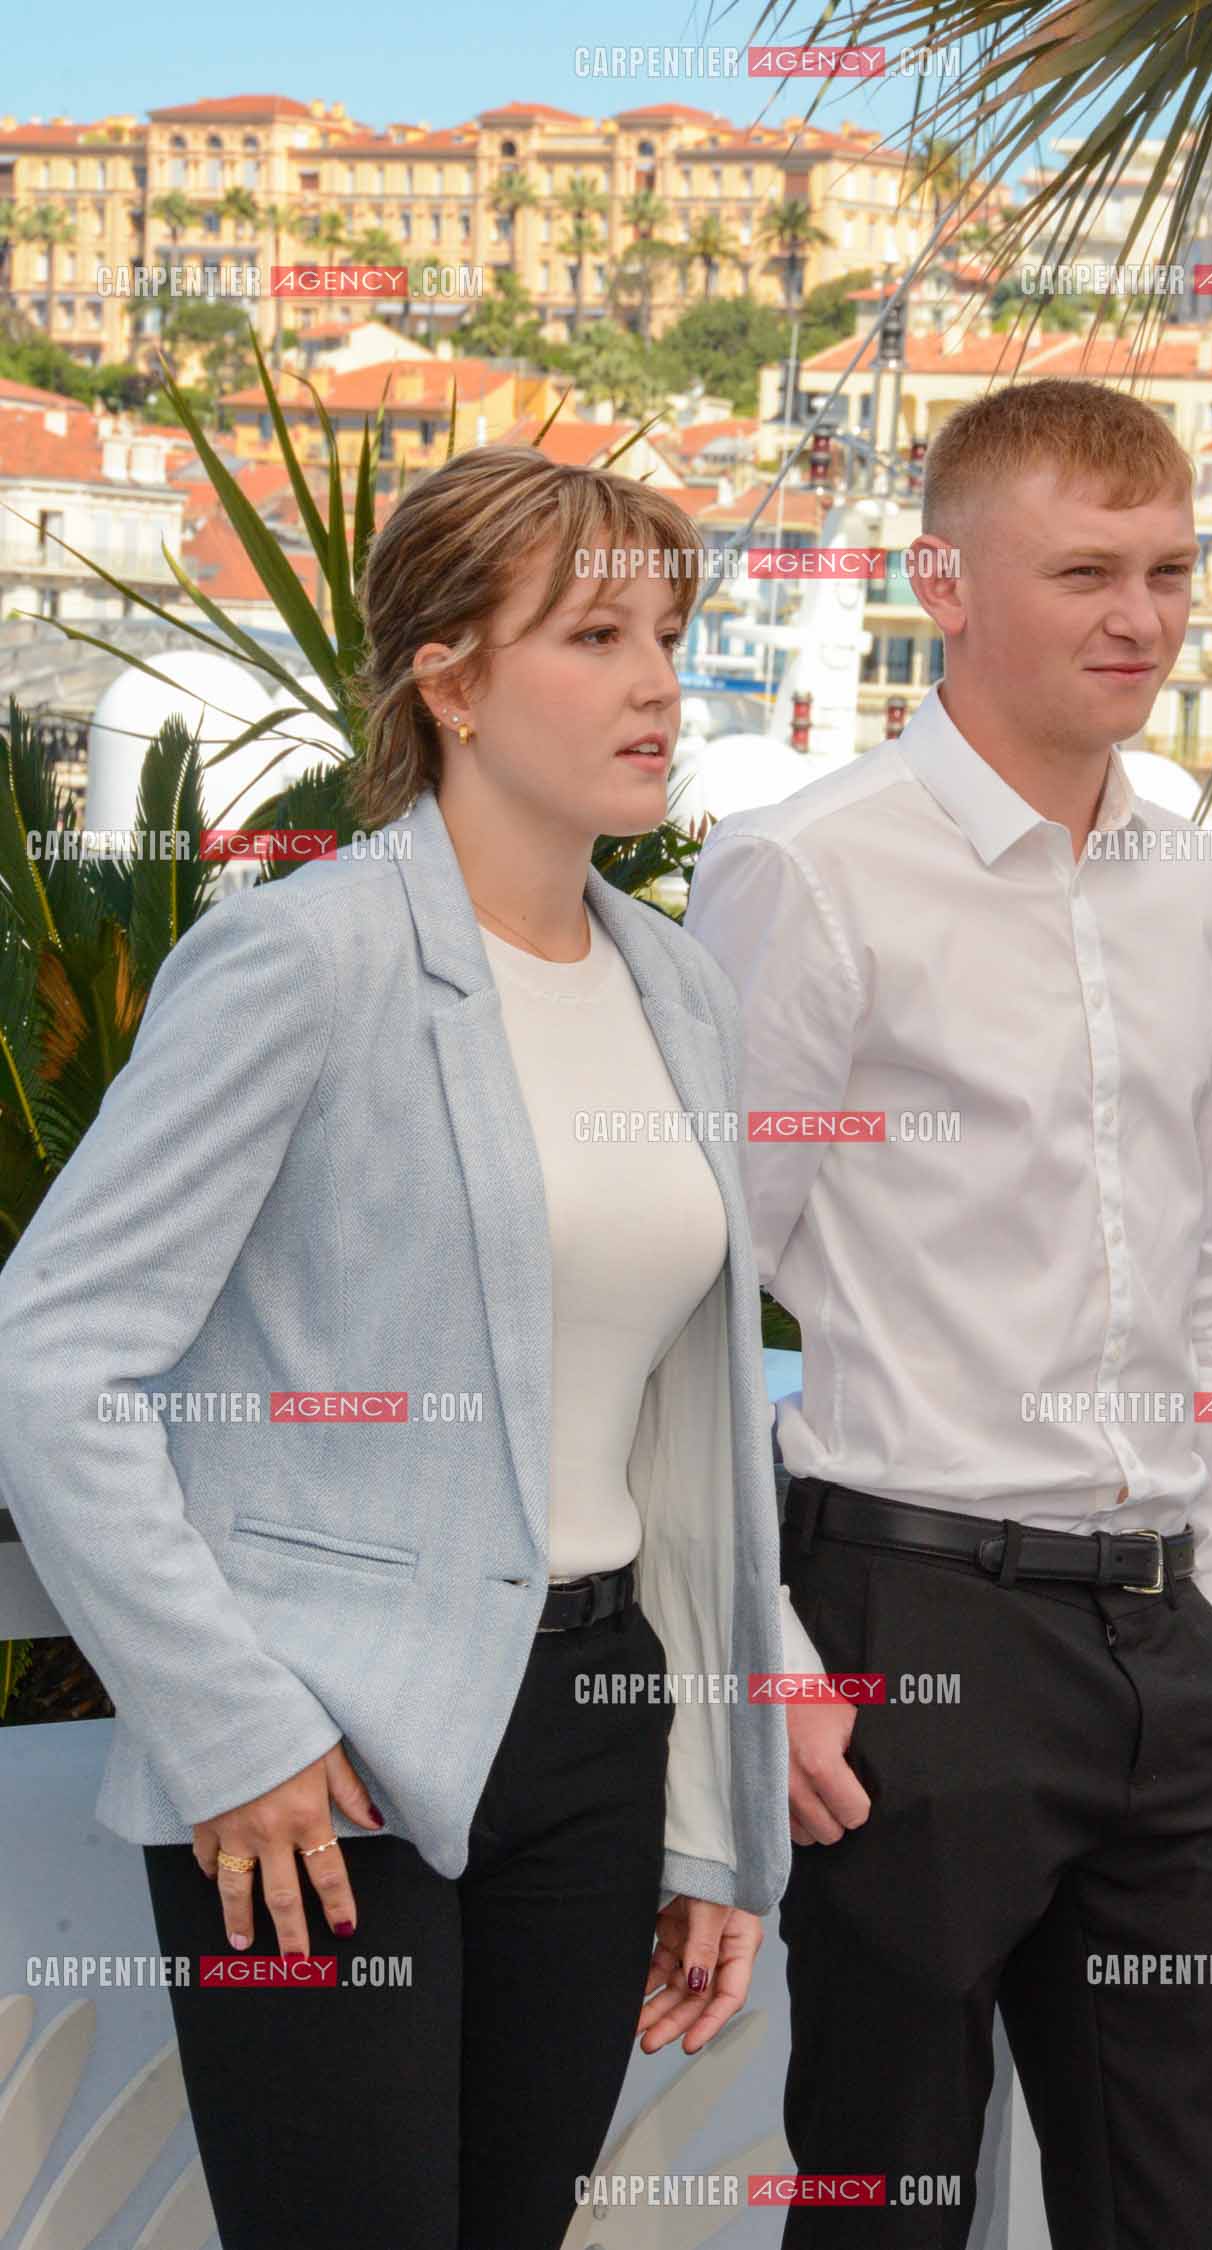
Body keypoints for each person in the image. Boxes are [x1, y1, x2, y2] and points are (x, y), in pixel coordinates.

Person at [0, 446, 797, 2250]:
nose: (659, 681)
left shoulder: (678, 989)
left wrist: (706, 1821)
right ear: (448, 676)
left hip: (599, 1730)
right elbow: (52, 1355)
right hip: (325, 1754)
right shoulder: (303, 960)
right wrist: (231, 1728)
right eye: (594, 634)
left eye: (670, 631)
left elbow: (679, 1434)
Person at [683, 377, 1212, 2249]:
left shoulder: (1194, 883)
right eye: (1089, 572)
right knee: (888, 2200)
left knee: (1183, 2211)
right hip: (909, 1622)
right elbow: (697, 1290)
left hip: (1173, 1641)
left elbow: (1210, 1267)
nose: (1143, 617)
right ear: (943, 581)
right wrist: (768, 1646)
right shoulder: (811, 867)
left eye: (1176, 572)